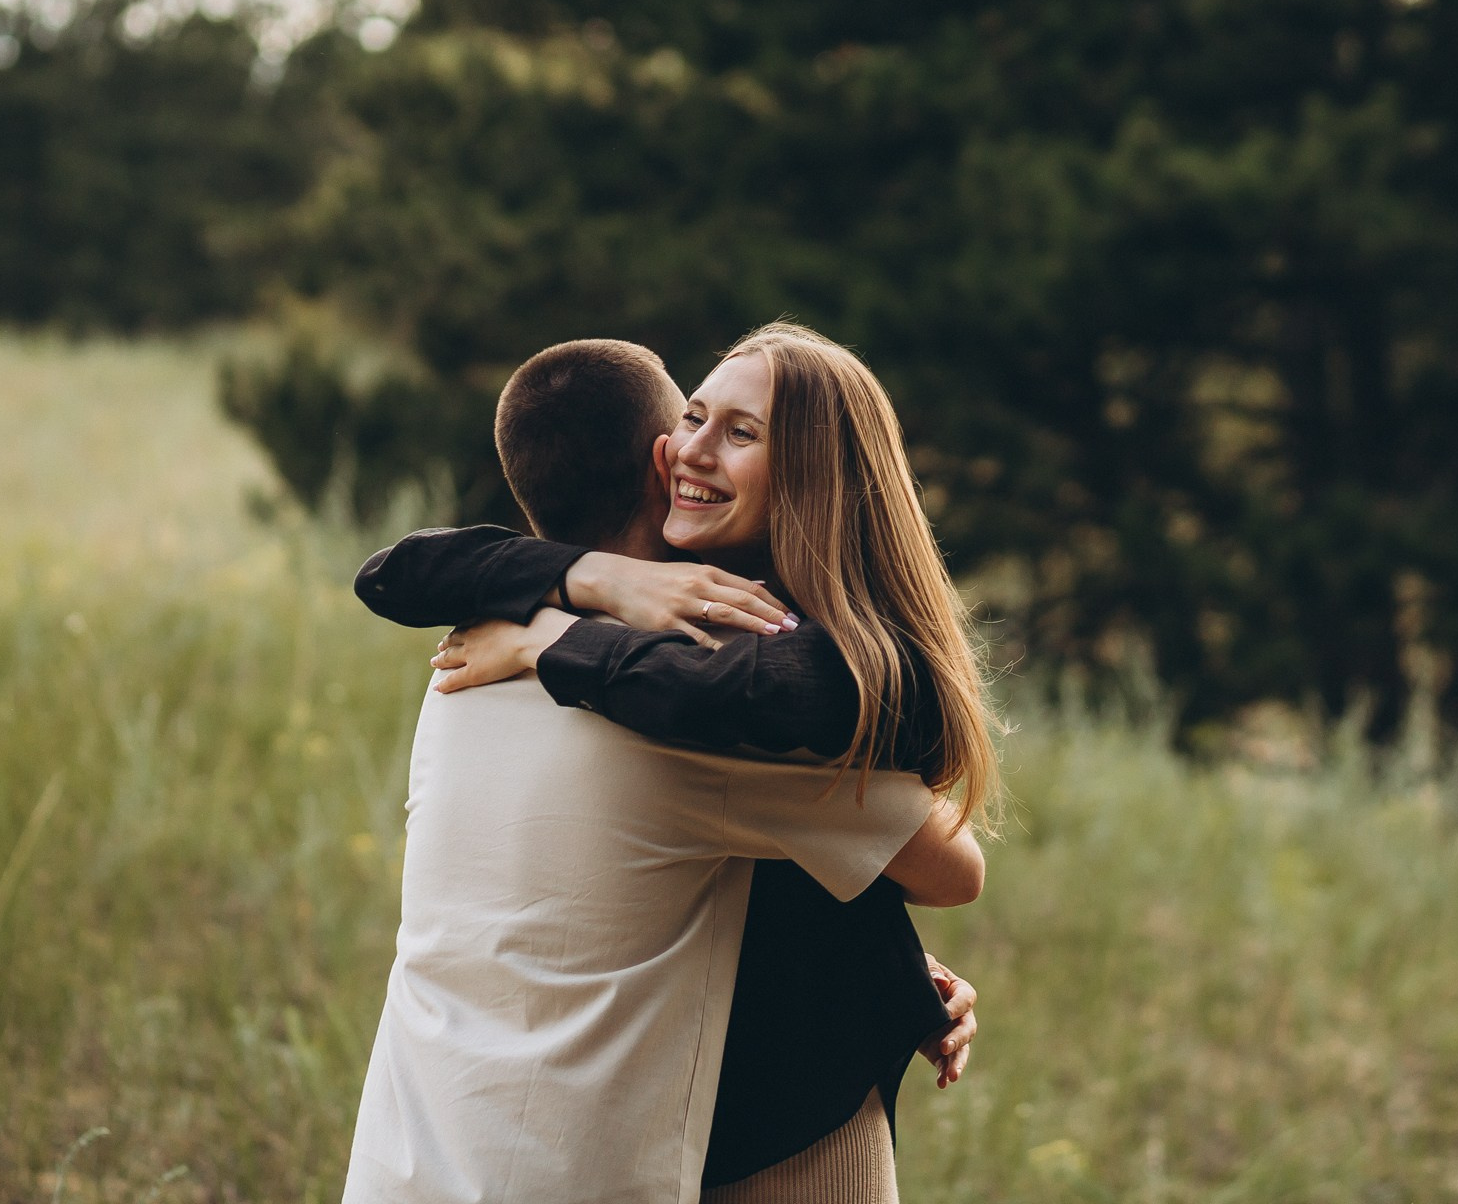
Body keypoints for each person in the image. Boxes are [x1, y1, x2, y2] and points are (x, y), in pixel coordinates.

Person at [359, 322, 1002, 1200]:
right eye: (694, 420)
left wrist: (559, 626)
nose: (692, 450)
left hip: (416, 1149)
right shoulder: (693, 709)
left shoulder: (474, 646)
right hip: (719, 1142)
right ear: (657, 459)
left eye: (739, 431)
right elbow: (949, 868)